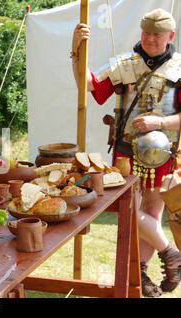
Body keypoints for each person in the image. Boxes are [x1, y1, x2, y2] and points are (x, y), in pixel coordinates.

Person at [71, 8, 181, 297]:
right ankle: (170, 252)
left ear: (170, 36)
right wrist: (76, 52)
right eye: (146, 33)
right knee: (127, 209)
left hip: (163, 154)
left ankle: (140, 275)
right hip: (125, 152)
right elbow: (91, 87)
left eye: (157, 35)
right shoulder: (126, 65)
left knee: (153, 213)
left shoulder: (179, 70)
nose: (150, 39)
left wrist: (160, 122)